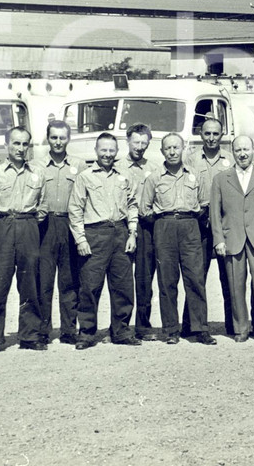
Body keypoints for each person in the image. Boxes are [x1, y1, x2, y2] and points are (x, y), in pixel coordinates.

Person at [138, 133, 217, 345]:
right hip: (163, 226)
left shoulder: (195, 174)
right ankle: (171, 330)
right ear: (162, 151)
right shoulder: (154, 177)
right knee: (167, 281)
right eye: (168, 148)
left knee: (195, 279)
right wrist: (160, 222)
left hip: (190, 226)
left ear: (183, 149)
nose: (172, 152)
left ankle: (200, 328)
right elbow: (144, 209)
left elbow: (204, 203)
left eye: (176, 148)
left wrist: (191, 221)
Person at [68, 132, 141, 350]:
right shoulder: (85, 176)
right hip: (95, 234)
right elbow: (75, 209)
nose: (107, 154)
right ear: (96, 151)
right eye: (103, 150)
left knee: (123, 286)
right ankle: (87, 333)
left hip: (120, 233)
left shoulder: (125, 176)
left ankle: (121, 331)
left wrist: (132, 232)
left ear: (117, 152)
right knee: (90, 286)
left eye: (111, 150)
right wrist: (81, 240)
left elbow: (132, 205)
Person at [0, 127, 48, 354]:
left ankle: (30, 335)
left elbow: (43, 206)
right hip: (3, 226)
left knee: (30, 284)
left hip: (28, 226)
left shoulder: (37, 173)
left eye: (24, 144)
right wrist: (2, 225)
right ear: (7, 145)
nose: (20, 149)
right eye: (16, 144)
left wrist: (26, 222)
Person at [210, 135, 254, 344]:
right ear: (233, 152)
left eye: (246, 149)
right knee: (235, 285)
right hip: (232, 238)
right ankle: (241, 328)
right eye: (238, 150)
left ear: (253, 150)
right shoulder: (221, 179)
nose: (242, 154)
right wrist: (219, 240)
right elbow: (215, 213)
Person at [185, 117, 235, 335]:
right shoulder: (191, 160)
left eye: (216, 134)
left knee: (229, 274)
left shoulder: (231, 160)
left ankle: (233, 324)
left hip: (225, 220)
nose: (212, 138)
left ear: (221, 135)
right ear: (201, 135)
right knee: (197, 274)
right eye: (207, 134)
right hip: (200, 218)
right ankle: (192, 325)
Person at [34, 120, 80, 346]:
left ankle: (69, 330)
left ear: (68, 139)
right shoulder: (36, 166)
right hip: (45, 225)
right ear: (47, 138)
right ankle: (42, 329)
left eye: (62, 137)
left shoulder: (79, 166)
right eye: (54, 137)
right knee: (43, 280)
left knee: (69, 279)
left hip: (69, 224)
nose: (58, 142)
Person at [122, 123, 159, 341]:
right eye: (136, 142)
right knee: (121, 280)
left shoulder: (154, 168)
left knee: (144, 279)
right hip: (120, 226)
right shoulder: (117, 166)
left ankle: (143, 325)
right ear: (127, 141)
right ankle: (119, 326)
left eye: (144, 143)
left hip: (146, 227)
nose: (139, 147)